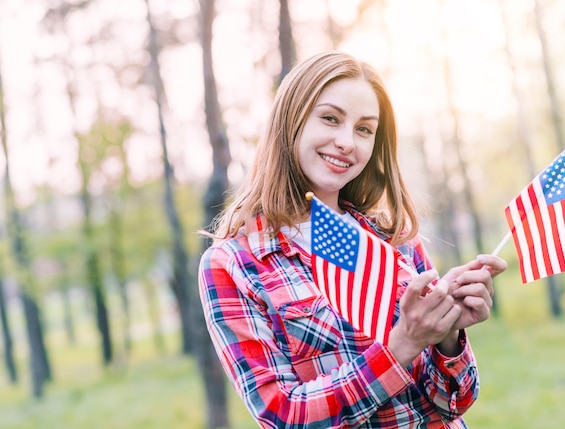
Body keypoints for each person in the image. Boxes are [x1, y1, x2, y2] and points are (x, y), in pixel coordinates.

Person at [198, 50, 507, 428]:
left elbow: (454, 401)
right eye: (330, 119)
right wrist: (402, 345)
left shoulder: (396, 241)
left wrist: (447, 333)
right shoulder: (234, 264)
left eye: (364, 129)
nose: (347, 142)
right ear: (290, 122)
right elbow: (284, 415)